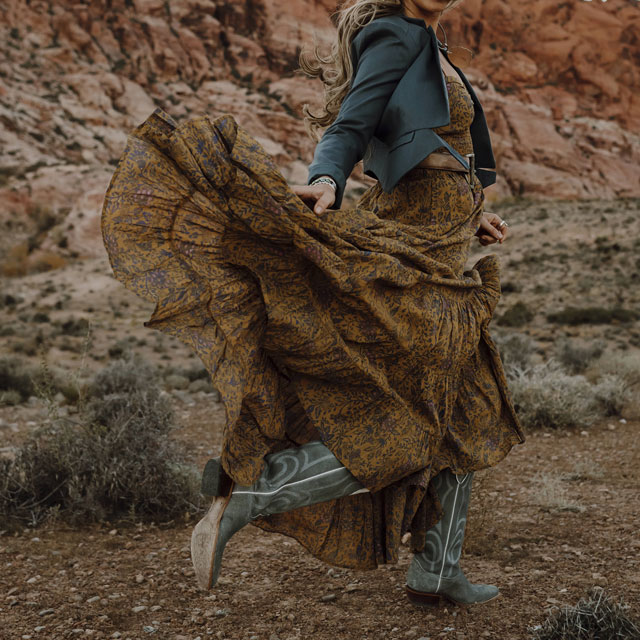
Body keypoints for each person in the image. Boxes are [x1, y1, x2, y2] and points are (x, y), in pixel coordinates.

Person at [102, 0, 524, 608]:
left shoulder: (431, 45)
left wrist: (473, 212)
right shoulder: (397, 36)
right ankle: (255, 493)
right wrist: (327, 178)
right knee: (410, 423)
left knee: (464, 396)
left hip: (439, 240)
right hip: (415, 243)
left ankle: (438, 568)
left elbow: (423, 144)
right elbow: (349, 127)